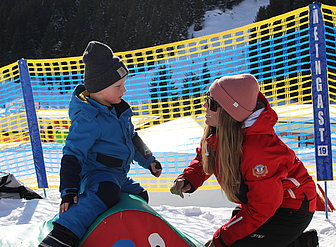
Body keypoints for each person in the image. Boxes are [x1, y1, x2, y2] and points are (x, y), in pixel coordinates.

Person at [170, 74, 318, 247]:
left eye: (212, 103)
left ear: (229, 111)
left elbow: (262, 207)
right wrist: (189, 178)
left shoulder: (258, 150)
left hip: (291, 207)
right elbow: (205, 157)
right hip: (261, 201)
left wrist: (221, 238)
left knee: (234, 242)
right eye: (207, 99)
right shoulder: (220, 134)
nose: (204, 106)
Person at [40, 41, 162, 247]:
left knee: (140, 195)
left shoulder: (119, 110)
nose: (124, 90)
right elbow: (72, 154)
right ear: (100, 88)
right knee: (106, 192)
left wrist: (149, 160)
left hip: (117, 176)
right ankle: (63, 233)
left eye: (123, 84)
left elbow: (132, 137)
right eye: (118, 86)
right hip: (96, 175)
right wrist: (68, 191)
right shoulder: (89, 119)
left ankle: (116, 230)